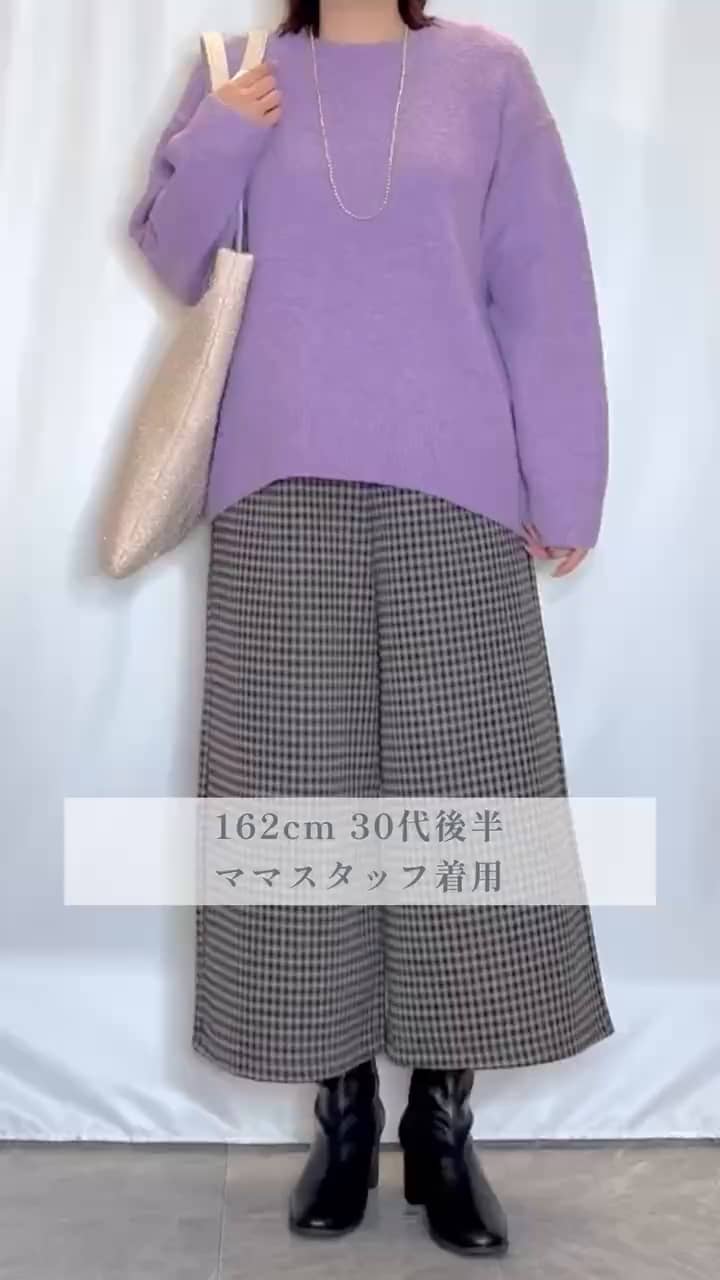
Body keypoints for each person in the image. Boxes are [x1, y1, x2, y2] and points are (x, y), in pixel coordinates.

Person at [127, 0, 613, 1258]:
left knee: (466, 806)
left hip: (458, 491)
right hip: (277, 491)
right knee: (297, 809)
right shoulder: (242, 75)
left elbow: (543, 283)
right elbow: (175, 257)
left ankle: (441, 1122)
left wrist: (565, 478)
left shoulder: (487, 76)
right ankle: (340, 1113)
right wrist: (223, 137)